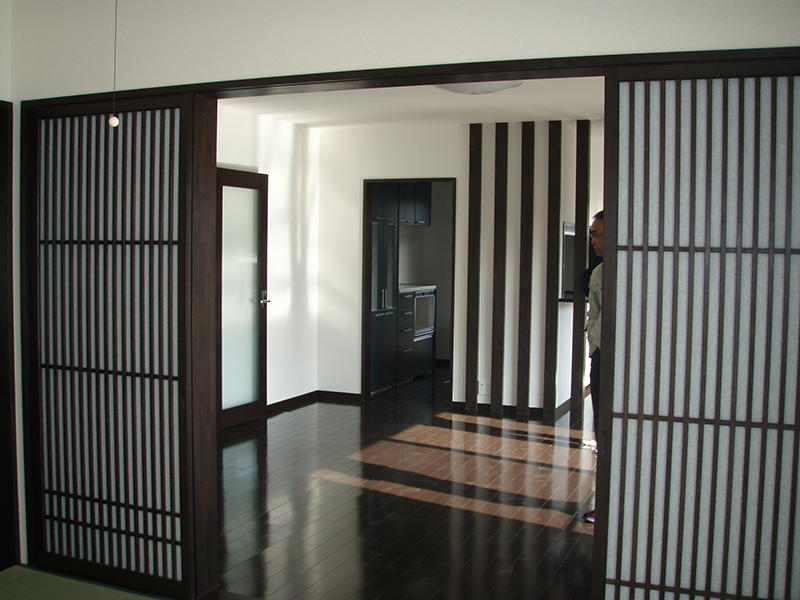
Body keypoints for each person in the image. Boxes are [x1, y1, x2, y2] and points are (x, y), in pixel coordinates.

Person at [583, 210, 603, 524]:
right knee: (603, 430)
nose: (593, 241)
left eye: (597, 234)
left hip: (613, 356)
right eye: (592, 235)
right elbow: (594, 314)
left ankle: (609, 505)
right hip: (601, 354)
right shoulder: (598, 272)